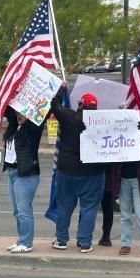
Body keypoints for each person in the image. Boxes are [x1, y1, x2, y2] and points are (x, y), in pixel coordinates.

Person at [50, 89, 105, 253]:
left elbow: (54, 105)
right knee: (89, 208)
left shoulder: (69, 117)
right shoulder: (103, 122)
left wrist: (61, 90)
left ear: (80, 105)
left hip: (67, 171)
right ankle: (85, 242)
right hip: (93, 172)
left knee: (64, 206)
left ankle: (61, 240)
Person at [106, 121, 140, 256]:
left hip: (138, 180)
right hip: (123, 180)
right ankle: (125, 243)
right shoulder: (118, 135)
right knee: (125, 214)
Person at [3, 106, 49, 253]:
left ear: (29, 115)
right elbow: (6, 108)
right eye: (17, 113)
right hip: (12, 172)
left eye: (22, 113)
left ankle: (26, 242)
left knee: (24, 211)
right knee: (16, 211)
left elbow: (44, 114)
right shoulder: (14, 127)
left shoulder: (32, 130)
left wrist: (59, 92)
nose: (18, 115)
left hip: (26, 175)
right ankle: (21, 239)